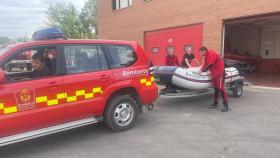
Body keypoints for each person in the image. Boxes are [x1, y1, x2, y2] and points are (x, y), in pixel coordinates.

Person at [198, 46, 229, 112]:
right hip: (214, 74)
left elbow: (210, 65)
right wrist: (200, 70)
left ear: (204, 51)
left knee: (221, 88)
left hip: (219, 73)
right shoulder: (206, 56)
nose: (200, 54)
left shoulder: (212, 53)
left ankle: (226, 105)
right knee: (216, 88)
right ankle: (215, 103)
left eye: (200, 52)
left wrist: (202, 71)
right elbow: (205, 65)